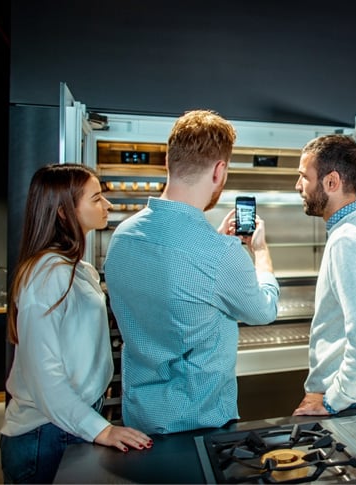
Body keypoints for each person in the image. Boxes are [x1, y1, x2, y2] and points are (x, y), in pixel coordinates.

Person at [104, 109, 279, 434]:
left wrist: (216, 242)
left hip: (138, 420)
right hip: (199, 424)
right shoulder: (220, 253)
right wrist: (260, 252)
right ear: (219, 171)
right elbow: (264, 310)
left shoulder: (122, 236)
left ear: (169, 162)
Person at [0, 164, 153, 484]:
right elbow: (46, 378)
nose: (107, 205)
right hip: (45, 434)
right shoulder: (47, 276)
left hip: (71, 422)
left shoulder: (78, 269)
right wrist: (103, 429)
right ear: (62, 212)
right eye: (96, 198)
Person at [292, 134, 356, 416]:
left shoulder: (347, 241)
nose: (298, 185)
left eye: (304, 177)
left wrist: (332, 401)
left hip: (352, 402)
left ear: (331, 182)